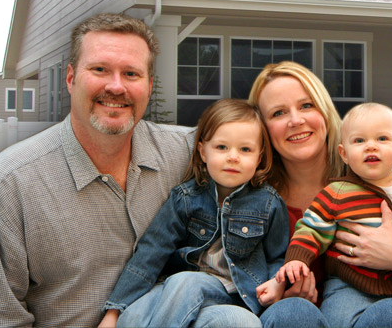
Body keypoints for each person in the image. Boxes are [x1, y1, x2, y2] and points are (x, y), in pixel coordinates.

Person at [0, 13, 254, 327]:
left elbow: (268, 164)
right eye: (100, 69)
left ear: (149, 86)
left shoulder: (191, 153)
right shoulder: (9, 184)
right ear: (70, 78)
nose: (116, 86)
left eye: (131, 74)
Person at [248, 61, 392, 327]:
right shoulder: (252, 200)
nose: (296, 120)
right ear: (262, 128)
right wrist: (280, 289)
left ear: (324, 111)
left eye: (307, 105)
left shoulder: (383, 176)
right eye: (278, 113)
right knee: (291, 313)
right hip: (315, 315)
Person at [99, 99, 288, 327]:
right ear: (203, 152)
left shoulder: (268, 203)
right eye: (221, 147)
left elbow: (278, 255)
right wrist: (114, 311)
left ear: (259, 157)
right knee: (133, 317)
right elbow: (151, 252)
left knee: (235, 317)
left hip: (231, 293)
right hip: (176, 295)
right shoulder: (186, 198)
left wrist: (277, 282)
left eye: (245, 149)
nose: (233, 157)